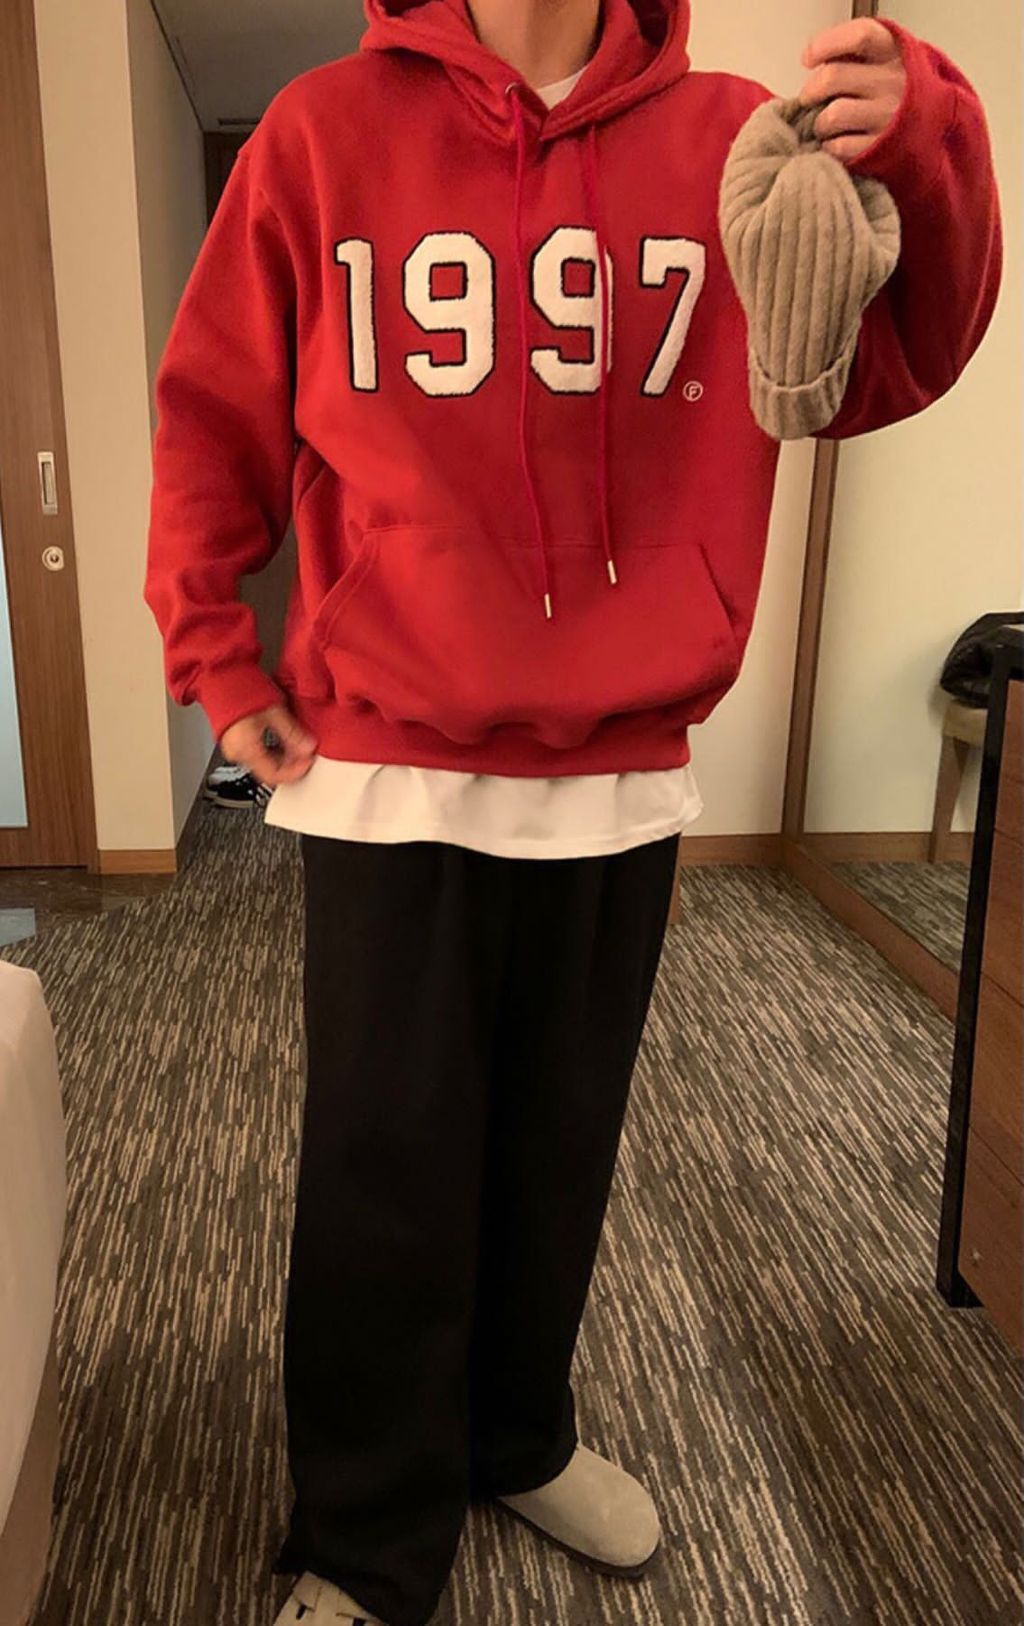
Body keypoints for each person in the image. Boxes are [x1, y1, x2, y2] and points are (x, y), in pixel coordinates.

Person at [143, 3, 1001, 1622]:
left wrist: (932, 141)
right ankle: (365, 1533)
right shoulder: (320, 135)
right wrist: (211, 644)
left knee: (559, 1148)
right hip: (388, 761)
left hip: (622, 763)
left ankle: (517, 1431)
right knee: (387, 1171)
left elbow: (888, 362)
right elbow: (213, 419)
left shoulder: (735, 138)